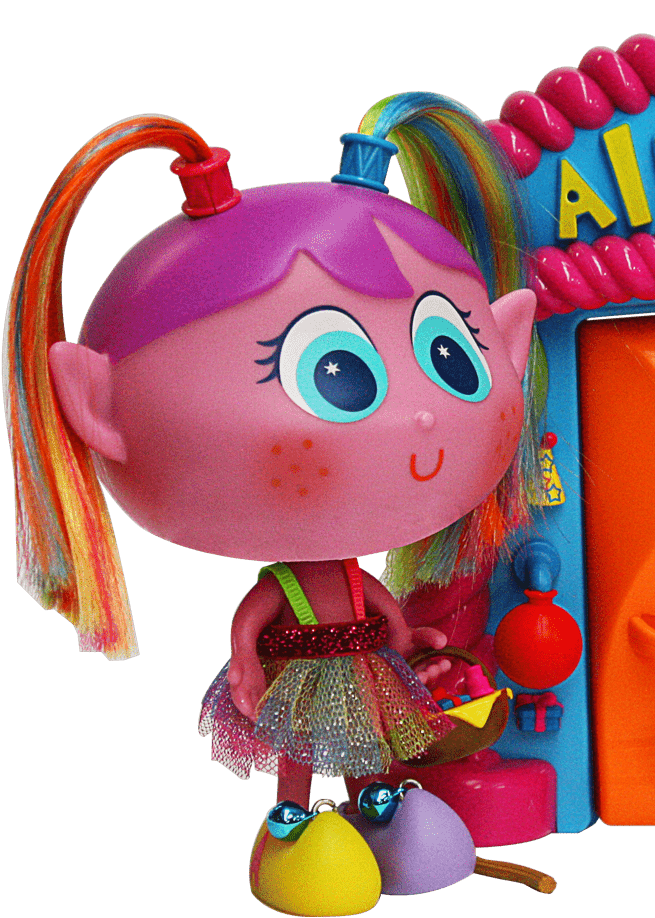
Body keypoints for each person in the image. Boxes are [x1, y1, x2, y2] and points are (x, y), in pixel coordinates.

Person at [5, 92, 545, 812]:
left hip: (361, 667)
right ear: (94, 404)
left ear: (510, 343)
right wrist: (245, 670)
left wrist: (404, 634)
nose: (419, 416)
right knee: (301, 746)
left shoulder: (353, 576)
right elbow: (249, 626)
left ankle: (373, 802)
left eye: (450, 354)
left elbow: (378, 606)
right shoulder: (281, 587)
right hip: (303, 675)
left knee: (365, 741)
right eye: (334, 370)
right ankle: (294, 809)